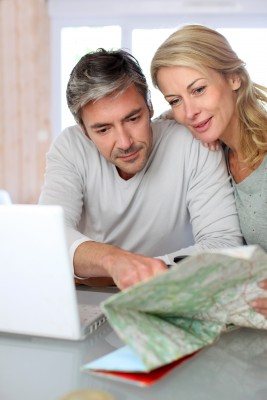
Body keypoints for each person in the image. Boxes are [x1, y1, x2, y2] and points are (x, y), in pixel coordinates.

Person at [39, 48, 243, 290]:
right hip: (91, 300)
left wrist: (124, 273)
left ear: (150, 107)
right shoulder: (71, 146)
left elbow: (224, 243)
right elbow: (49, 235)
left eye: (133, 119)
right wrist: (113, 262)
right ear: (84, 131)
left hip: (172, 293)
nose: (125, 142)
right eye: (103, 130)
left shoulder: (193, 143)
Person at [151, 24, 267, 316]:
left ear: (234, 78)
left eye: (199, 89)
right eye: (175, 100)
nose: (189, 112)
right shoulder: (216, 153)